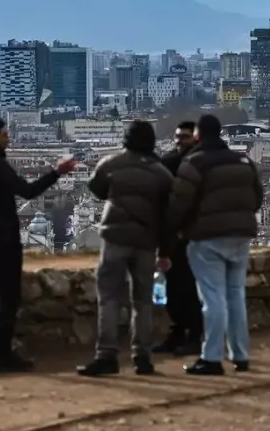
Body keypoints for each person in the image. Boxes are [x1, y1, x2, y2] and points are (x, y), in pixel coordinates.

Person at [0, 118, 76, 372]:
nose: (7, 138)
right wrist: (57, 173)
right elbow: (27, 191)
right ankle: (5, 356)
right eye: (3, 134)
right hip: (3, 237)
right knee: (9, 296)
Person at [167, 115, 264, 376]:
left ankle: (211, 357)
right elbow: (257, 199)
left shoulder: (194, 163)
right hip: (240, 236)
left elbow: (179, 203)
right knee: (236, 295)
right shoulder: (243, 160)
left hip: (207, 237)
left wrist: (174, 230)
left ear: (198, 136)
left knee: (212, 298)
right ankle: (240, 354)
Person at [77, 121, 175, 377]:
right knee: (142, 301)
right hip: (145, 241)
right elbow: (168, 216)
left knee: (109, 297)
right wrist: (165, 251)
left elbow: (96, 189)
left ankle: (106, 355)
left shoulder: (111, 164)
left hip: (115, 237)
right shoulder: (161, 173)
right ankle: (142, 357)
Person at [154, 121, 204, 356]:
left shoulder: (192, 164)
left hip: (192, 235)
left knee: (189, 289)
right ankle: (178, 333)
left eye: (184, 137)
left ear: (194, 138)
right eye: (177, 136)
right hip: (176, 235)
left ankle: (194, 335)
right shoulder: (171, 162)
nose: (178, 141)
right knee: (176, 288)